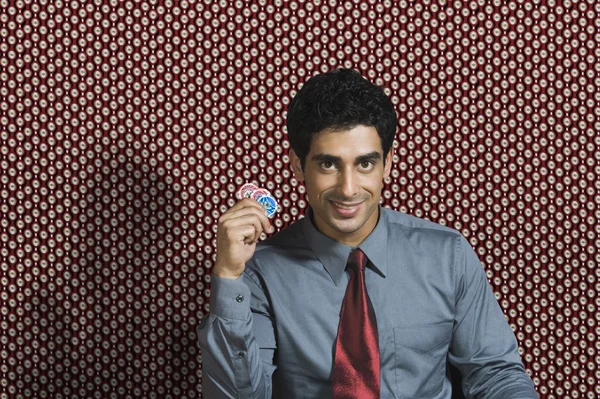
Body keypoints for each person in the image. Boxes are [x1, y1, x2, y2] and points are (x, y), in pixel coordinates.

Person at [197, 68, 538, 398]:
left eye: (365, 163)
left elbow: (496, 374)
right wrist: (228, 275)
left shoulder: (448, 256)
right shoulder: (260, 272)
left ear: (387, 164)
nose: (348, 189)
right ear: (298, 165)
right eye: (328, 164)